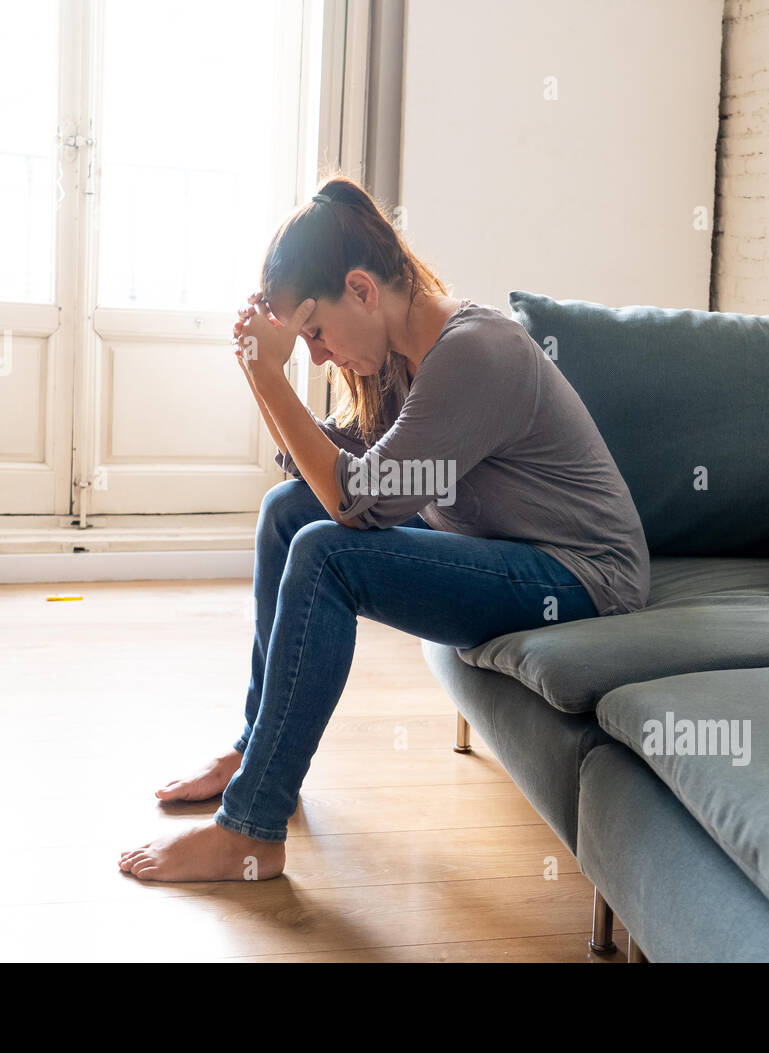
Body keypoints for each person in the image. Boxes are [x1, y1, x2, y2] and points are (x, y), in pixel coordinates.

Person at [119, 177, 649, 882]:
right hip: (503, 551)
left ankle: (252, 830)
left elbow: (353, 504)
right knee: (287, 513)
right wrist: (259, 368)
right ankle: (257, 751)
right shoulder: (402, 357)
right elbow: (326, 476)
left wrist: (269, 377)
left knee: (326, 553)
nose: (315, 355)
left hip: (580, 575)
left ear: (363, 290)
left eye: (314, 333)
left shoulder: (474, 353)